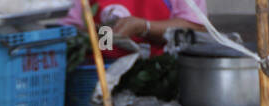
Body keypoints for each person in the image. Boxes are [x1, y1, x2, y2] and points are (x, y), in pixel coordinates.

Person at [59, 0, 207, 57]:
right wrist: (103, 36)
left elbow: (195, 27)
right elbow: (66, 33)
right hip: (95, 81)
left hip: (158, 81)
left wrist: (144, 28)